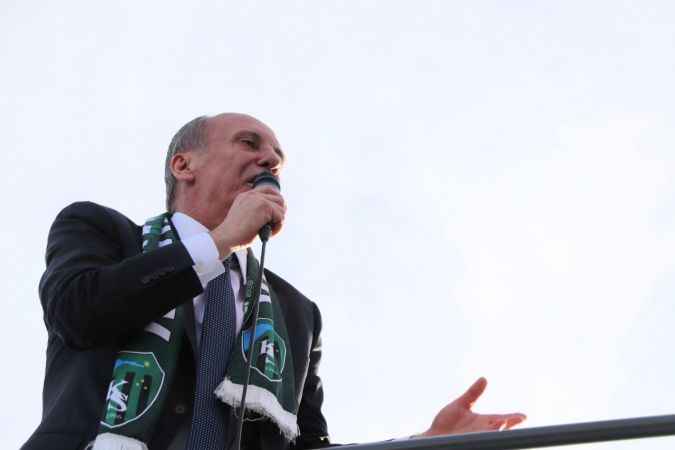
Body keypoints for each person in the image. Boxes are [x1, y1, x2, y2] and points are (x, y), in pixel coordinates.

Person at [22, 113, 525, 450]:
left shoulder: (295, 313)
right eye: (249, 143)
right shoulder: (101, 230)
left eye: (277, 157)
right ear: (183, 164)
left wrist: (425, 443)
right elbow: (77, 312)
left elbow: (308, 446)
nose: (270, 161)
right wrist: (219, 241)